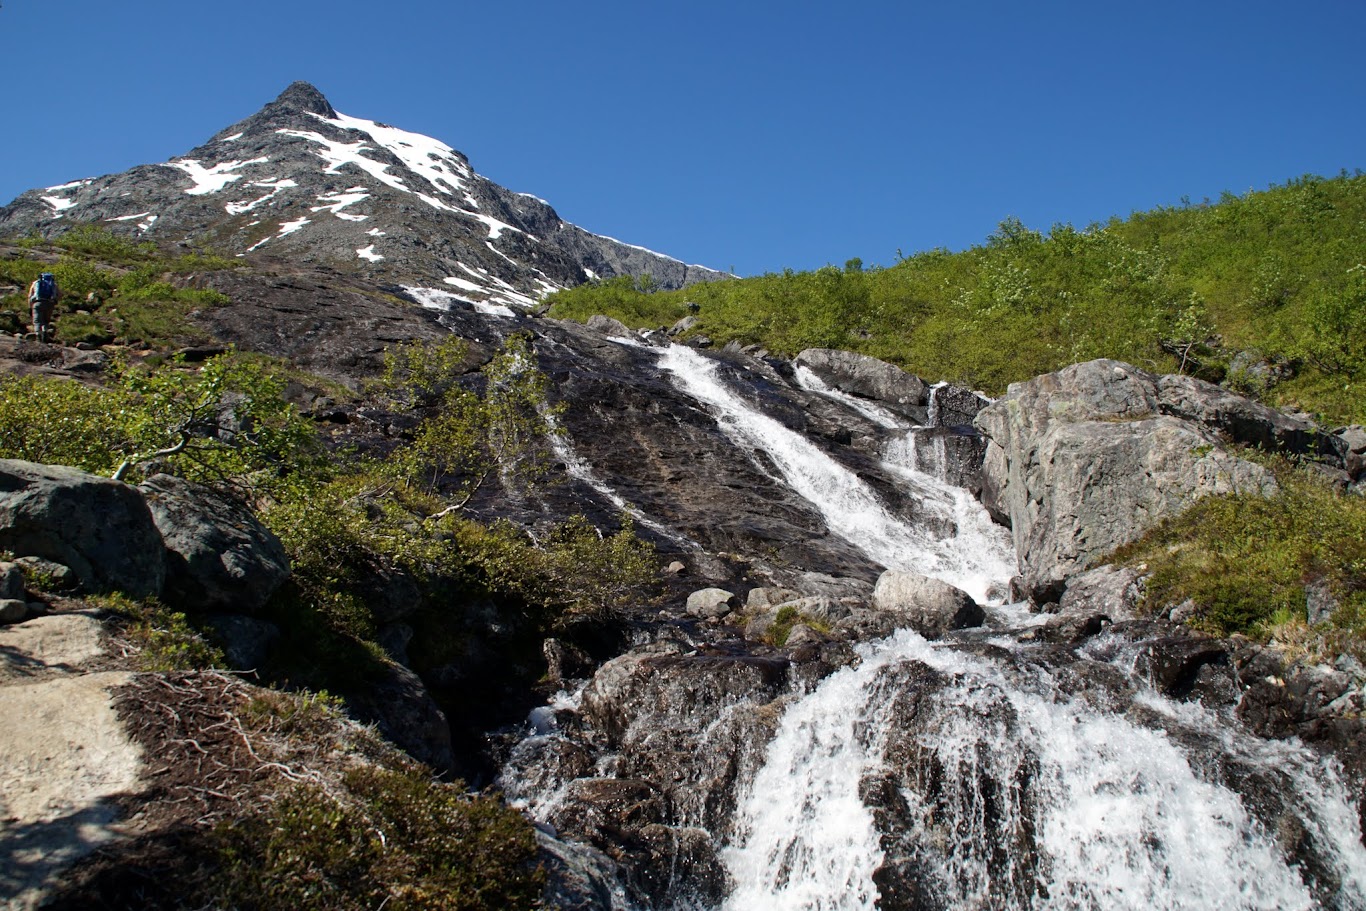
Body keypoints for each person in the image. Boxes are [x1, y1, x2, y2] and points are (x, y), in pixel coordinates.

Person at [27, 271, 59, 342]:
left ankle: (38, 335)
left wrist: (30, 307)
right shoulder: (53, 284)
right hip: (49, 303)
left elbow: (30, 296)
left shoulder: (36, 283)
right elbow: (59, 294)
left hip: (37, 303)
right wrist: (54, 302)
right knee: (46, 320)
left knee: (37, 321)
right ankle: (45, 331)